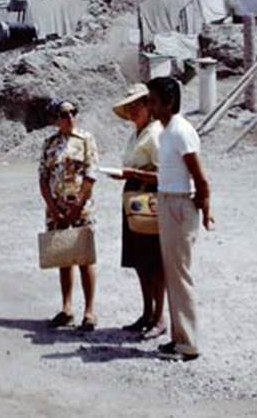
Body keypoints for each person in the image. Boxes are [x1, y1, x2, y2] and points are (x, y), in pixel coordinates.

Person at [145, 76, 214, 362]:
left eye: (152, 100)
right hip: (168, 201)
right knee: (172, 274)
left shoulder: (180, 131)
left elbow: (200, 176)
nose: (149, 106)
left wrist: (204, 207)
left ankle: (188, 344)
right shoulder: (166, 132)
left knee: (179, 276)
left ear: (168, 102)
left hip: (178, 205)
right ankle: (178, 338)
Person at [110, 84, 166, 339]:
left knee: (154, 260)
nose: (133, 110)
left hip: (149, 195)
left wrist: (134, 174)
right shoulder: (136, 134)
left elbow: (164, 173)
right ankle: (147, 312)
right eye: (130, 106)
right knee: (140, 260)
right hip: (133, 194)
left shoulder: (155, 134)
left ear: (148, 106)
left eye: (137, 105)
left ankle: (159, 316)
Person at [38, 99, 99, 331]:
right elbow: (43, 176)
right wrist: (53, 208)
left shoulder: (86, 141)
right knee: (64, 257)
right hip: (56, 209)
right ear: (56, 119)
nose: (70, 117)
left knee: (85, 258)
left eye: (73, 112)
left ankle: (90, 311)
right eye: (64, 114)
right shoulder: (49, 144)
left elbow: (91, 175)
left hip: (80, 209)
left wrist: (76, 207)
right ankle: (66, 308)